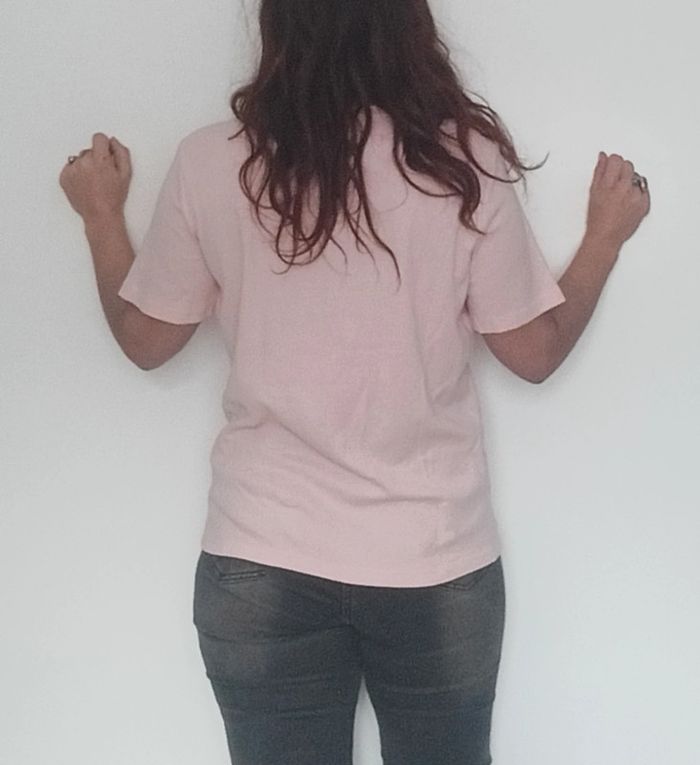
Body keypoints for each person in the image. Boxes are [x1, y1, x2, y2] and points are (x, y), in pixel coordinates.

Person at [58, 1, 651, 763]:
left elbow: (146, 341)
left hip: (261, 556)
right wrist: (603, 238)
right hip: (432, 554)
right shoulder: (462, 163)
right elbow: (534, 352)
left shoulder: (212, 160)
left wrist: (101, 218)